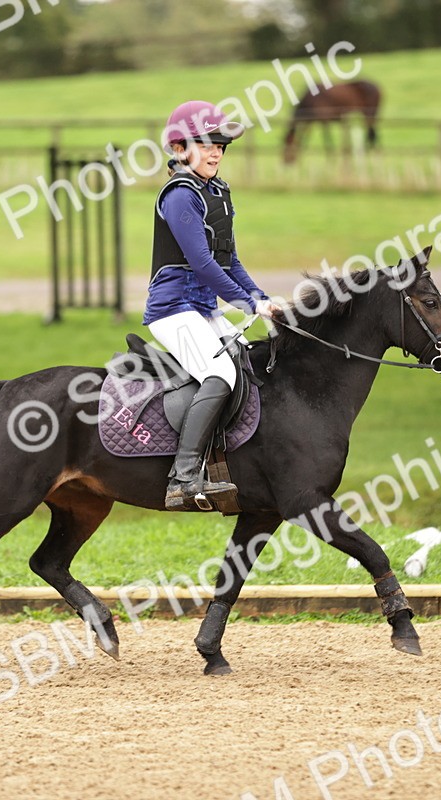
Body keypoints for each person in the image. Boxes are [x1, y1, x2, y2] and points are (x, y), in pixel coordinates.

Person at [145, 100, 281, 511]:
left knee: (245, 366)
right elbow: (202, 265)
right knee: (221, 370)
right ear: (181, 148)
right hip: (172, 310)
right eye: (207, 143)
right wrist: (247, 304)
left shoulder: (216, 192)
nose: (216, 151)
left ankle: (226, 466)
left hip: (203, 309)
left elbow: (229, 260)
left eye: (221, 144)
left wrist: (261, 299)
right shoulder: (181, 196)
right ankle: (183, 477)